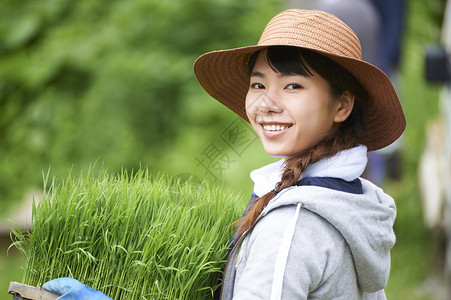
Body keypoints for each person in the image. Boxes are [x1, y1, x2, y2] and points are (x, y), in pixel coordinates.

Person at [43, 9, 405, 299]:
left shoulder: (292, 226)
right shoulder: (351, 201)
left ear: (342, 105)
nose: (267, 103)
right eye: (259, 84)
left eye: (293, 85)